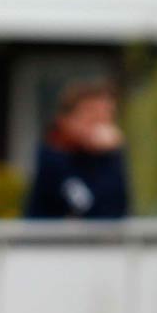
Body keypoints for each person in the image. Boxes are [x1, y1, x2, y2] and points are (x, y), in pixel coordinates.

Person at [24, 77, 129, 220]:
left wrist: (110, 155)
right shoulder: (54, 155)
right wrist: (106, 158)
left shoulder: (106, 155)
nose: (100, 125)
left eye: (106, 116)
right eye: (91, 115)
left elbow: (119, 209)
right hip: (47, 242)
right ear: (66, 120)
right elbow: (95, 211)